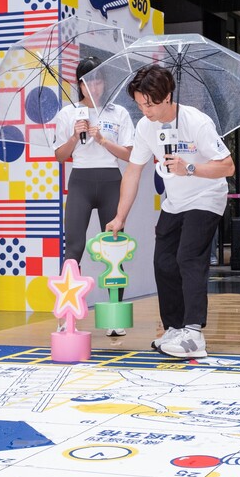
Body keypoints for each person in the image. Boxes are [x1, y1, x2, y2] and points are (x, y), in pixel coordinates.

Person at [105, 64, 234, 359]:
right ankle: (174, 327)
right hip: (175, 202)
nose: (144, 110)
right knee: (162, 261)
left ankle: (194, 333)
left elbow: (227, 166)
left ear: (167, 97)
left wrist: (189, 167)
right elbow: (133, 172)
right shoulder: (144, 127)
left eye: (149, 104)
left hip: (206, 196)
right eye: (139, 104)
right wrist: (120, 216)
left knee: (187, 256)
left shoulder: (196, 122)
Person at [55, 56, 135, 337]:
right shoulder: (68, 114)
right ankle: (67, 316)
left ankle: (115, 314)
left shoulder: (118, 113)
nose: (96, 86)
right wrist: (75, 137)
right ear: (80, 84)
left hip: (112, 180)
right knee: (73, 248)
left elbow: (130, 155)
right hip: (80, 181)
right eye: (90, 80)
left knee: (115, 249)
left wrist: (103, 140)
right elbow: (59, 156)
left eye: (100, 80)